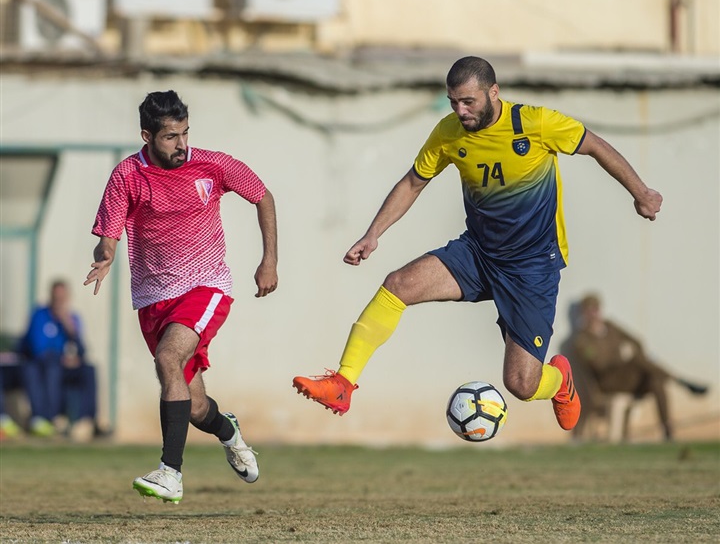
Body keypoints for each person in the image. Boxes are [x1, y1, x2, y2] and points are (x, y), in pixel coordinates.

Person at [292, 56, 663, 434]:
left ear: (493, 92)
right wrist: (373, 234)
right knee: (397, 285)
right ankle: (343, 383)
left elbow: (596, 145)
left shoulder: (534, 123)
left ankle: (558, 382)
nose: (460, 110)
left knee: (521, 384)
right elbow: (413, 182)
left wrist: (641, 192)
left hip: (531, 266)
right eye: (453, 101)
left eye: (468, 101)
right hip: (479, 253)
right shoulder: (449, 132)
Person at [84, 90, 278, 505]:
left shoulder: (213, 164)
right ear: (147, 135)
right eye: (171, 136)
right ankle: (228, 432)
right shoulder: (127, 176)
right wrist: (104, 257)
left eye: (185, 133)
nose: (182, 144)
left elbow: (262, 195)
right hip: (153, 299)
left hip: (205, 287)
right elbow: (109, 235)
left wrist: (269, 262)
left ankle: (170, 473)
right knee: (193, 405)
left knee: (168, 359)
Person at [567, 293, 707, 441]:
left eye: (596, 309)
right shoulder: (582, 339)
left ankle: (667, 430)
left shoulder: (610, 326)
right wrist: (619, 355)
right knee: (636, 358)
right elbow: (599, 365)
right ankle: (678, 379)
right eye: (589, 310)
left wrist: (627, 352)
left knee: (655, 380)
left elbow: (637, 342)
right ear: (584, 313)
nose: (593, 314)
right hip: (608, 383)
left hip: (628, 377)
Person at [17, 279, 107, 439]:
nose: (59, 302)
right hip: (45, 365)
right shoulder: (40, 315)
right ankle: (50, 418)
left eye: (62, 298)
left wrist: (70, 329)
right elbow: (38, 348)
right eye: (56, 298)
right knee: (52, 367)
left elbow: (82, 350)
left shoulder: (73, 318)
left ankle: (89, 420)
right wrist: (62, 358)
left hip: (66, 365)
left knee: (89, 369)